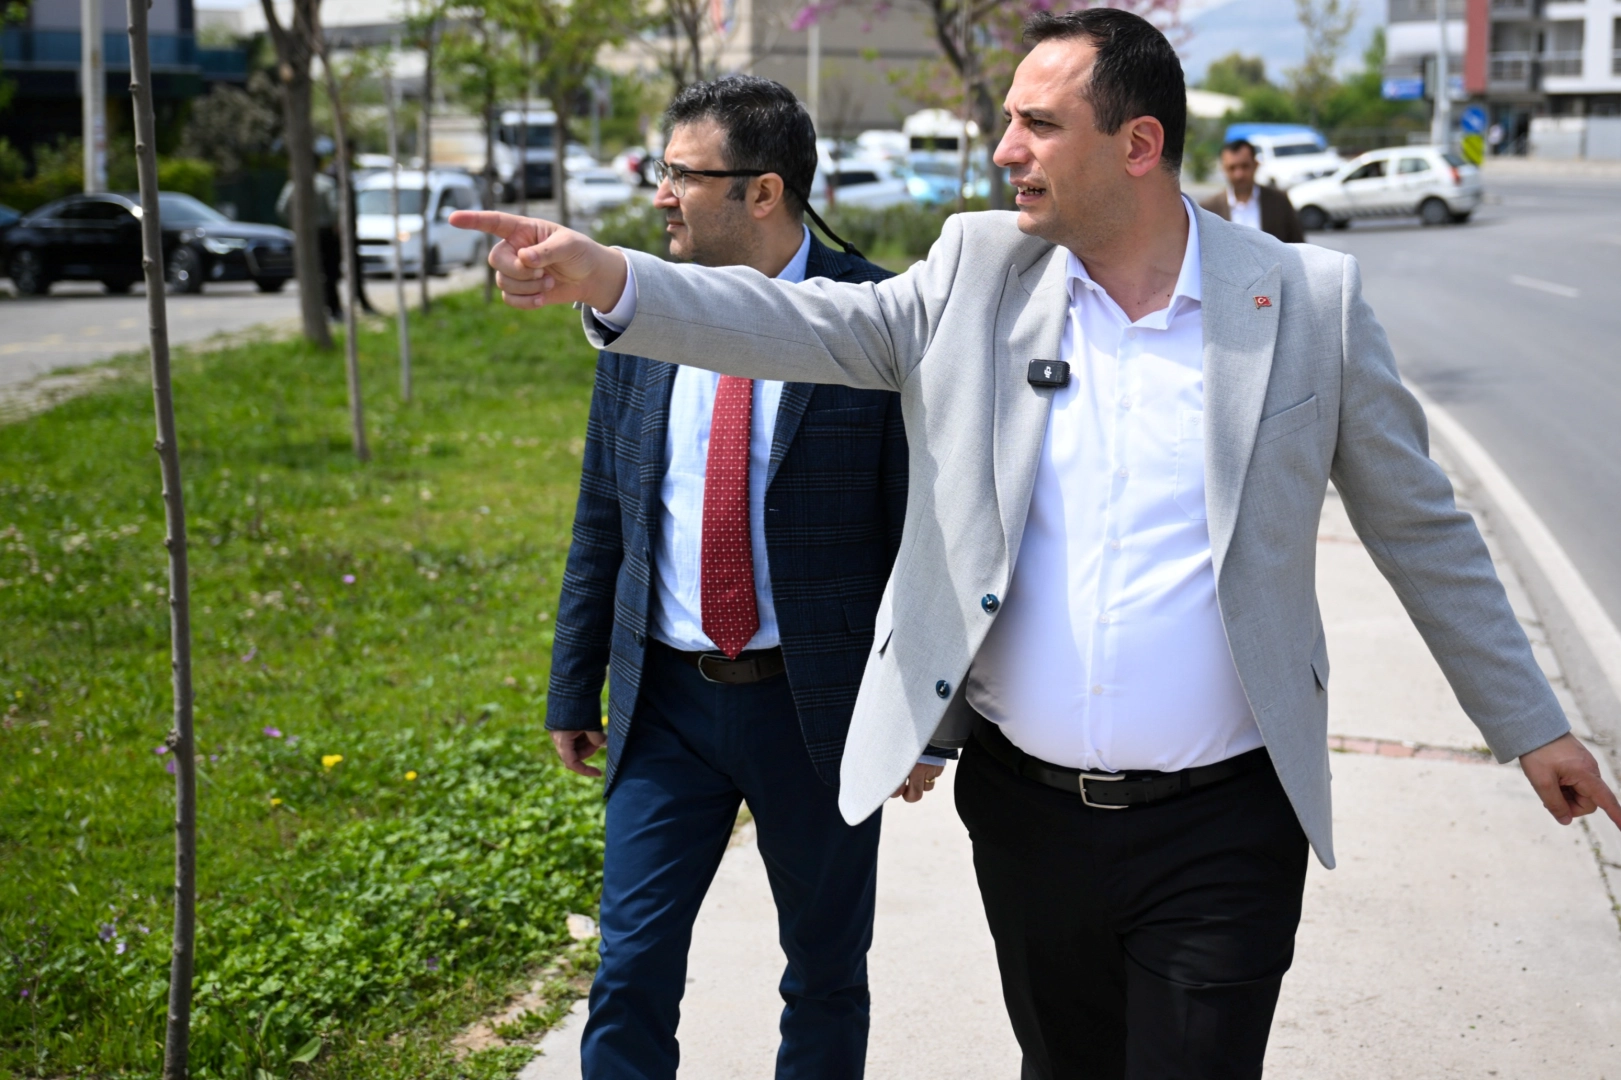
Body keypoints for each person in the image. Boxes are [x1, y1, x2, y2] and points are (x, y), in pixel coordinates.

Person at [456, 9, 1621, 1078]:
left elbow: (1418, 525)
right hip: (1027, 820)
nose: (1003, 147)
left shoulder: (1306, 302)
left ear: (1137, 144)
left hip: (1226, 823)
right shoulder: (978, 273)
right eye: (1007, 118)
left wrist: (1528, 723)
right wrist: (609, 276)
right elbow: (806, 319)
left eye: (1037, 124)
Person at [543, 76, 932, 1080]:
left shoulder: (877, 317)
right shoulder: (639, 314)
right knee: (629, 968)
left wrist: (921, 716)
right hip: (666, 707)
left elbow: (919, 534)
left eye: (682, 173)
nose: (659, 194)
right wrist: (572, 683)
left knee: (825, 975)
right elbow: (604, 511)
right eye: (660, 169)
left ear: (762, 191)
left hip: (818, 712)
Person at [1199, 138, 1304, 242]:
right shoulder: (1209, 209)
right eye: (1232, 168)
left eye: (1245, 166)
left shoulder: (1279, 202)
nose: (1239, 175)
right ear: (1224, 169)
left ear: (1256, 165)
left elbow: (1298, 246)